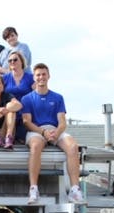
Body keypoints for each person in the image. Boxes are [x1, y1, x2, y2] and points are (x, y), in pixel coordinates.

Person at [22, 63, 85, 205]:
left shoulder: (58, 97)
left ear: (48, 76)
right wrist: (43, 132)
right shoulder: (27, 99)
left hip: (55, 130)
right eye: (38, 74)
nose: (41, 77)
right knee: (36, 145)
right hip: (36, 131)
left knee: (73, 146)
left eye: (44, 74)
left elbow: (62, 121)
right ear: (34, 77)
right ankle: (33, 188)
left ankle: (75, 189)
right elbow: (27, 122)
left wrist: (56, 133)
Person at [2, 51, 34, 143]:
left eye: (15, 59)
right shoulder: (4, 78)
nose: (12, 62)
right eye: (10, 60)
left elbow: (38, 94)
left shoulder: (30, 78)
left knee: (22, 141)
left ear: (22, 62)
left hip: (25, 115)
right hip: (9, 113)